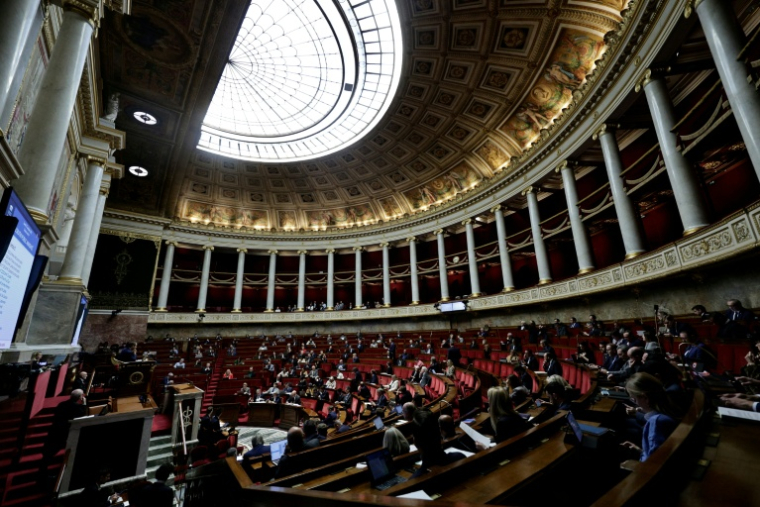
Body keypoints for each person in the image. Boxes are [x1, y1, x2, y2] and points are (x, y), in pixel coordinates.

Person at [621, 373, 681, 462]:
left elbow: (653, 462)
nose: (635, 403)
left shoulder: (656, 421)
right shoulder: (668, 410)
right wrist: (639, 450)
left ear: (645, 398)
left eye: (633, 399)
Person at [43, 389, 87, 469]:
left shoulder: (62, 404)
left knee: (49, 451)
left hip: (55, 429)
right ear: (80, 397)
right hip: (64, 431)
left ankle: (44, 466)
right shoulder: (77, 407)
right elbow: (81, 415)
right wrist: (84, 404)